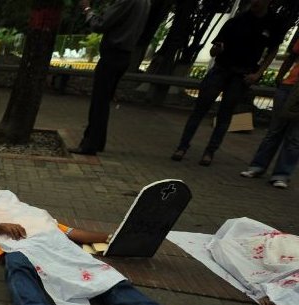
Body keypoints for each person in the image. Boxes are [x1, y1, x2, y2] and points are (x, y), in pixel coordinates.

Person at [0, 190, 247, 305]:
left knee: (107, 279)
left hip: (60, 251)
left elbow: (75, 233)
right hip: (24, 252)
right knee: (16, 268)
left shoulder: (38, 214)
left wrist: (112, 236)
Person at [171, 0, 283, 166]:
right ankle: (182, 146)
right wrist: (217, 49)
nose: (255, 2)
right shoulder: (237, 20)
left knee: (225, 114)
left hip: (242, 74)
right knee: (200, 110)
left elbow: (273, 51)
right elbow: (213, 50)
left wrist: (258, 74)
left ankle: (210, 152)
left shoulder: (272, 24)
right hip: (222, 68)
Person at [69, 0, 150, 156]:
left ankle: (90, 144)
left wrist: (87, 10)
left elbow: (100, 25)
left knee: (99, 102)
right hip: (124, 55)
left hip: (113, 54)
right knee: (104, 100)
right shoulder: (145, 2)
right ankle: (97, 141)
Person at [239, 35, 299, 189]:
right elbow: (292, 56)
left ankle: (281, 174)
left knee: (294, 138)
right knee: (274, 130)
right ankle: (257, 167)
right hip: (289, 86)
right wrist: (280, 77)